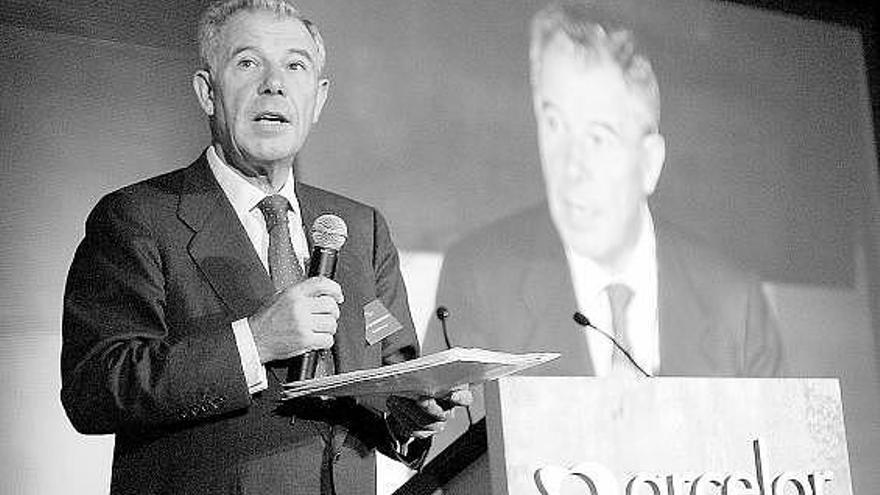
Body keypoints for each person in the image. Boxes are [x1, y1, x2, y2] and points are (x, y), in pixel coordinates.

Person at [60, 1, 470, 493]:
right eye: (248, 63)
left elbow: (393, 363)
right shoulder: (137, 218)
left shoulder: (362, 228)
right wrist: (254, 342)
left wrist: (411, 412)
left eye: (295, 66)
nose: (273, 83)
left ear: (317, 100)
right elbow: (95, 389)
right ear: (208, 93)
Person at [422, 0, 783, 457]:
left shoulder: (735, 301)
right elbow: (445, 456)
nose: (572, 166)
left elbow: (776, 460)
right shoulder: (479, 279)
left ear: (649, 161)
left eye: (599, 137)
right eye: (555, 124)